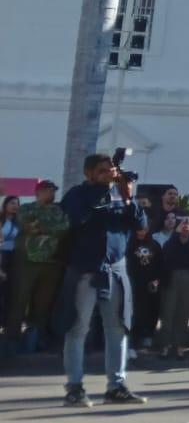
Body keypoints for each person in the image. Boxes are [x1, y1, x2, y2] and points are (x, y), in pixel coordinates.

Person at [60, 153, 149, 407]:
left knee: (118, 328)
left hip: (116, 269)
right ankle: (74, 388)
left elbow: (141, 225)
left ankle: (116, 386)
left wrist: (128, 196)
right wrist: (102, 192)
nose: (109, 175)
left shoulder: (121, 194)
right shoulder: (77, 194)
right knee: (78, 329)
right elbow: (77, 219)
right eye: (102, 171)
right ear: (89, 173)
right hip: (85, 269)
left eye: (111, 170)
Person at [9, 180, 67, 354]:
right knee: (19, 300)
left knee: (43, 304)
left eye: (53, 191)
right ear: (39, 192)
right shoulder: (26, 208)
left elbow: (64, 227)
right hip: (27, 261)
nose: (52, 194)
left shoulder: (58, 210)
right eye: (48, 190)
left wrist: (42, 228)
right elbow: (27, 225)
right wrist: (46, 228)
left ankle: (35, 339)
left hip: (51, 263)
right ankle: (12, 340)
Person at [158, 216, 189, 359]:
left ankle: (179, 346)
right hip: (171, 277)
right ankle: (165, 346)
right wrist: (176, 234)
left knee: (184, 313)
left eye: (187, 225)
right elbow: (168, 254)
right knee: (168, 312)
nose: (185, 227)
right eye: (182, 225)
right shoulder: (171, 242)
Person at [127, 224, 163, 352]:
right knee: (136, 311)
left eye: (144, 230)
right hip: (135, 283)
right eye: (139, 229)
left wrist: (158, 280)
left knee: (152, 309)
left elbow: (160, 264)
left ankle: (148, 336)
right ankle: (135, 340)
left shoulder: (155, 245)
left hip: (151, 284)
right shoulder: (129, 245)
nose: (141, 232)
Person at [0, 195, 18, 350]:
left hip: (14, 259)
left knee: (10, 297)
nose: (14, 206)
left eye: (16, 204)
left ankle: (7, 332)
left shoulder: (18, 222)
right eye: (11, 203)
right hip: (1, 257)